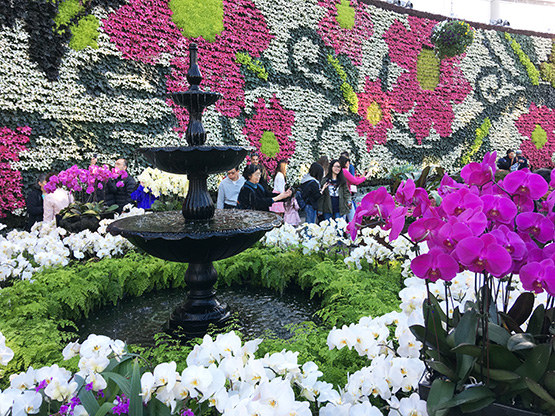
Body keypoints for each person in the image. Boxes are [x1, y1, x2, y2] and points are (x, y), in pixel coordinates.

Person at [339, 156, 372, 221]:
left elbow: (353, 180)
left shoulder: (341, 171)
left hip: (344, 197)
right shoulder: (344, 171)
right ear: (345, 163)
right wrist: (366, 177)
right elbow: (355, 182)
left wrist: (362, 176)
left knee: (345, 219)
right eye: (348, 163)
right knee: (351, 219)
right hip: (346, 197)